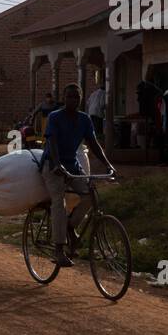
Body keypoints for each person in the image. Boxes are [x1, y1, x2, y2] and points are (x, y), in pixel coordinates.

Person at [42, 83, 114, 268]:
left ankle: (69, 226)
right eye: (69, 96)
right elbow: (52, 142)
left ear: (81, 99)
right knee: (59, 202)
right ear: (63, 98)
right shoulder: (55, 117)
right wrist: (57, 165)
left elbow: (93, 143)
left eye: (76, 97)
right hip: (53, 165)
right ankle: (59, 249)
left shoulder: (84, 119)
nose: (73, 100)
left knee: (89, 195)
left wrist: (108, 164)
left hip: (72, 165)